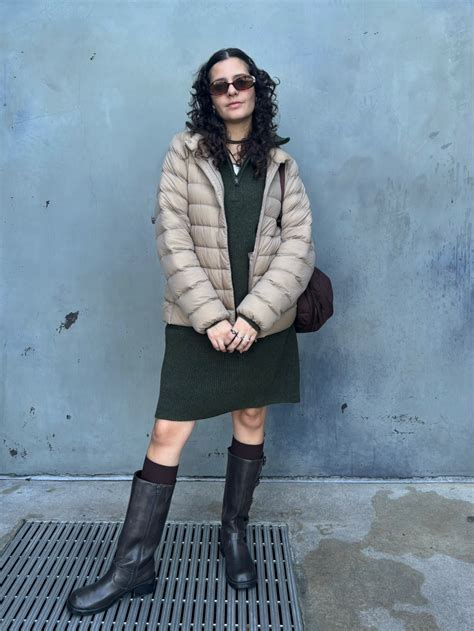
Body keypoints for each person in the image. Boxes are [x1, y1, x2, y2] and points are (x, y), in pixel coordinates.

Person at [67, 47, 315, 617]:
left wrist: (252, 317)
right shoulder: (183, 154)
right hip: (196, 320)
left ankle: (234, 535)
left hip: (264, 323)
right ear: (208, 97)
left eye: (241, 81)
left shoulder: (282, 165)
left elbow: (299, 245)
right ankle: (134, 565)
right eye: (219, 85)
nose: (232, 91)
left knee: (250, 417)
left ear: (257, 89)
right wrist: (214, 319)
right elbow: (172, 240)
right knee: (166, 433)